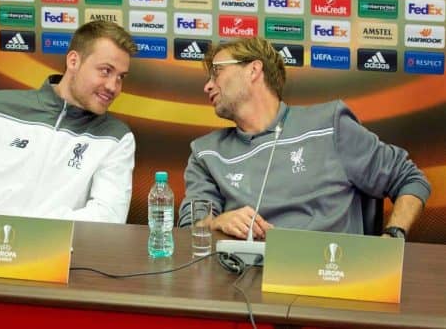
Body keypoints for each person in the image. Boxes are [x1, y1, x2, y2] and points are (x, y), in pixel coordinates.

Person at [178, 37, 430, 240]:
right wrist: (217, 221)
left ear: (254, 70)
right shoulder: (206, 153)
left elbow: (409, 178)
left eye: (216, 72)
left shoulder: (330, 125)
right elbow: (190, 227)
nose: (207, 86)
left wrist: (393, 236)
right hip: (243, 284)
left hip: (328, 282)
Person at [0, 20, 137, 223]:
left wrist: (31, 229)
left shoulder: (116, 137)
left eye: (120, 77)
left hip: (55, 252)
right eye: (106, 71)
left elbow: (109, 218)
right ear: (73, 61)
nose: (113, 86)